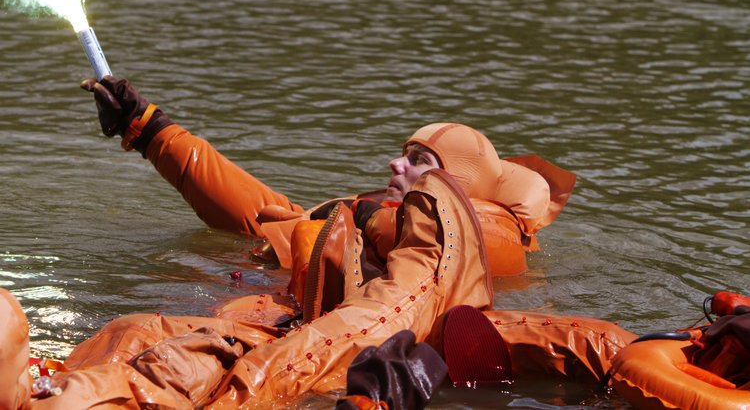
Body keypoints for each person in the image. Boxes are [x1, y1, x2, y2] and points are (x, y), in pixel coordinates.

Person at [4, 76, 629, 408]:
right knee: (133, 332)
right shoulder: (360, 216)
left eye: (418, 159)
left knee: (162, 350)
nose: (395, 163)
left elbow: (432, 272)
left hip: (299, 346)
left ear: (452, 184)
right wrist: (153, 132)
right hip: (266, 318)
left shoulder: (481, 237)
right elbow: (260, 214)